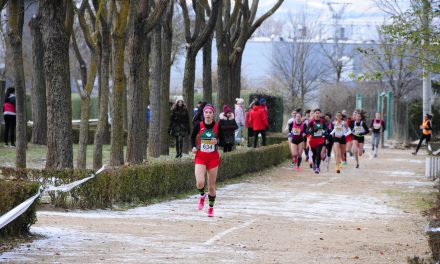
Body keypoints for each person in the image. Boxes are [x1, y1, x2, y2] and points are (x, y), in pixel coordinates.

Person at [191, 104, 223, 217]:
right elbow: (192, 137)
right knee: (199, 183)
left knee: (211, 186)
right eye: (206, 112)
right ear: (203, 114)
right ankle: (202, 195)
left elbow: (224, 141)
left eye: (210, 112)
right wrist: (193, 147)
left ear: (213, 114)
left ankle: (210, 208)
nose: (208, 114)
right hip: (200, 156)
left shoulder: (218, 126)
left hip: (213, 158)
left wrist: (217, 142)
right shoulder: (199, 125)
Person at [307, 109, 326, 174]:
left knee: (318, 153)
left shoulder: (322, 121)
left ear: (320, 114)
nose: (317, 114)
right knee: (314, 154)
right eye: (316, 113)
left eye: (318, 113)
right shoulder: (312, 122)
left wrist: (325, 131)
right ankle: (314, 164)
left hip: (320, 140)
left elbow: (325, 128)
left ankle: (317, 167)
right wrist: (312, 131)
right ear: (314, 114)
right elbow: (307, 130)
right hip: (313, 140)